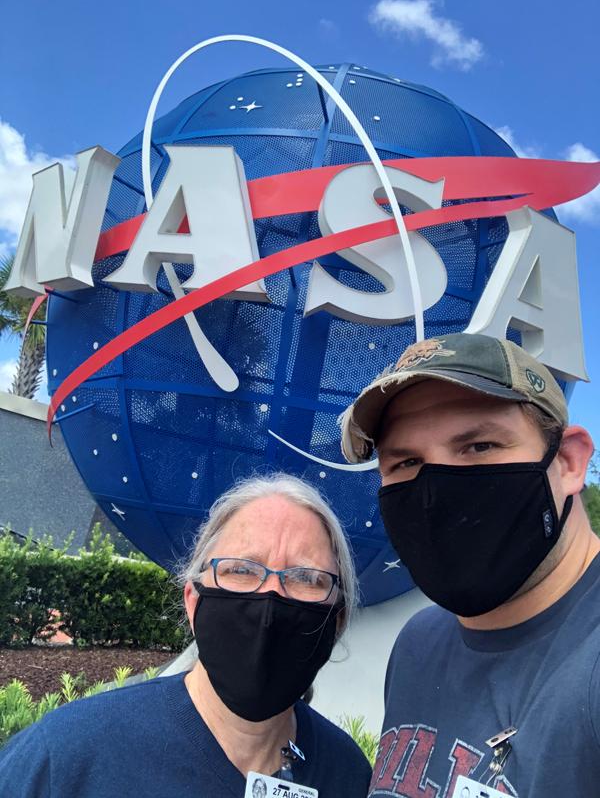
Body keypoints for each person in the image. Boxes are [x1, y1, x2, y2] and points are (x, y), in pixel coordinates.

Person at [340, 332, 600, 798]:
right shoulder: (419, 643)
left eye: (478, 447)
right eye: (406, 462)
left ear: (567, 462)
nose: (436, 490)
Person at [0, 473, 372, 797]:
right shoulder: (68, 755)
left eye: (306, 578)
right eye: (240, 570)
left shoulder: (349, 776)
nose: (270, 598)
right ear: (194, 602)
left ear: (336, 621)